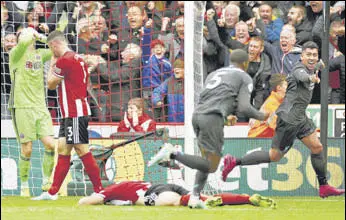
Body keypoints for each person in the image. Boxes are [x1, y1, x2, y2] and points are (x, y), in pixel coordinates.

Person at [222, 42, 345, 198]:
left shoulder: (312, 66)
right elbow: (302, 76)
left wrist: (323, 62)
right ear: (302, 56)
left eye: (314, 55)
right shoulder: (298, 69)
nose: (312, 58)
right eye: (308, 55)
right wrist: (311, 78)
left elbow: (318, 65)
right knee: (275, 156)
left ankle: (324, 186)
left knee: (317, 147)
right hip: (288, 120)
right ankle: (234, 161)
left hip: (300, 117)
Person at [148, 49, 269, 208]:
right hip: (212, 117)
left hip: (198, 116)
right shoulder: (244, 76)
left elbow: (213, 99)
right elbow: (245, 107)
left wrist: (225, 117)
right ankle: (172, 153)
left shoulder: (214, 74)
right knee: (210, 165)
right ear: (245, 63)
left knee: (206, 162)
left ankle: (195, 197)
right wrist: (262, 116)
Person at [32, 30, 103, 200]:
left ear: (55, 45)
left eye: (50, 48)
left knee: (82, 150)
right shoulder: (77, 58)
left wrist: (52, 63)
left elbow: (50, 84)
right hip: (71, 113)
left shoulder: (64, 60)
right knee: (63, 149)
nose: (51, 52)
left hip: (75, 113)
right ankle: (52, 192)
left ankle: (100, 190)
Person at [8, 28, 55, 196]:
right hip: (21, 106)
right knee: (27, 149)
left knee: (50, 144)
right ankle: (24, 185)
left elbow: (56, 48)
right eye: (27, 34)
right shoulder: (15, 54)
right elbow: (24, 41)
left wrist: (41, 36)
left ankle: (46, 181)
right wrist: (30, 31)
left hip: (40, 107)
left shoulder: (40, 54)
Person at [78, 181, 277, 209]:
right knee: (199, 197)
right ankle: (246, 198)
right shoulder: (131, 181)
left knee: (173, 203)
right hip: (167, 185)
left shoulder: (112, 189)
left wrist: (86, 198)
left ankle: (193, 201)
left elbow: (87, 202)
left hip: (155, 192)